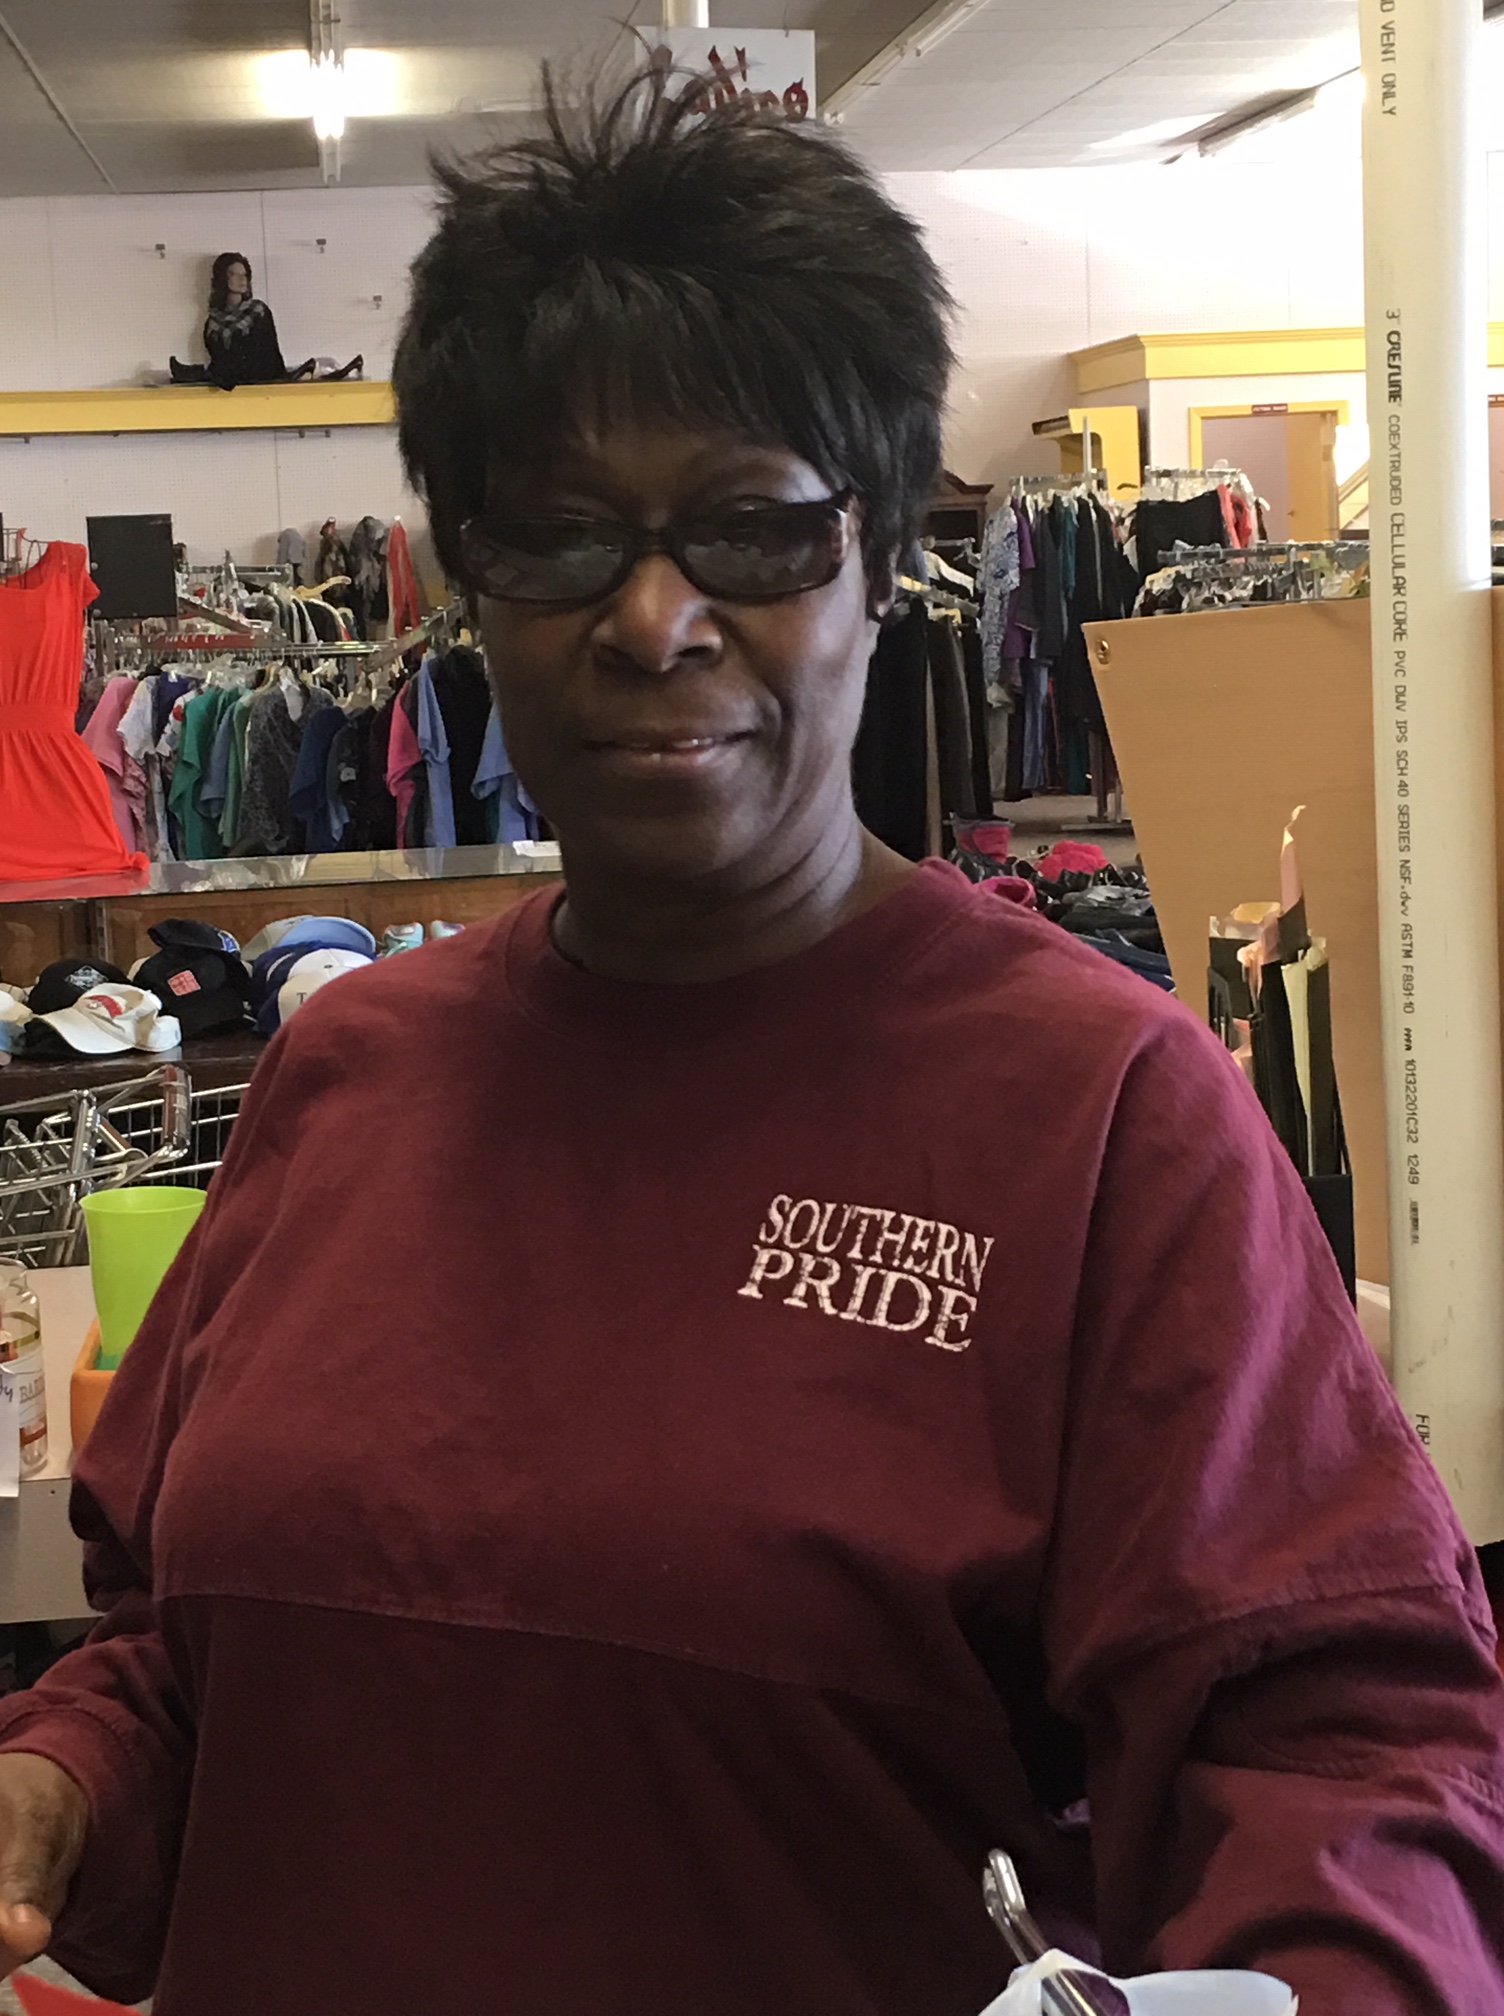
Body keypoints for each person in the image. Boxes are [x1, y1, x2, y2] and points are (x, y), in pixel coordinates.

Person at [0, 67, 1501, 2016]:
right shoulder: (349, 1075)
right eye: (558, 537)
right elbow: (181, 1657)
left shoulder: (1096, 1115)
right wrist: (62, 1785)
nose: (653, 618)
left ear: (874, 567)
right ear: (472, 593)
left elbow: (1340, 1759)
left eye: (750, 530)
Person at [169, 252, 362, 391]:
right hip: (232, 376)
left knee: (212, 373)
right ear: (222, 278)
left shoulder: (257, 311)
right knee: (214, 372)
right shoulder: (213, 321)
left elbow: (265, 351)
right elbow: (217, 355)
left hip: (260, 373)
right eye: (234, 274)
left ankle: (198, 373)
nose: (241, 279)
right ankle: (200, 373)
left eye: (244, 275)